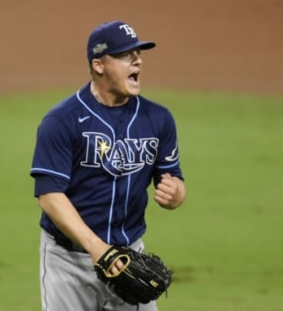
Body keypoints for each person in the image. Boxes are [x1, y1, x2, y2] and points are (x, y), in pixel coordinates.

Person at [30, 20, 186, 311]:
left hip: (130, 258)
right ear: (99, 65)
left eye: (138, 53)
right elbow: (49, 196)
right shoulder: (62, 121)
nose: (137, 59)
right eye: (126, 55)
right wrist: (97, 249)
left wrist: (176, 193)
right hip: (69, 263)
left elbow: (173, 178)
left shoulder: (158, 119)